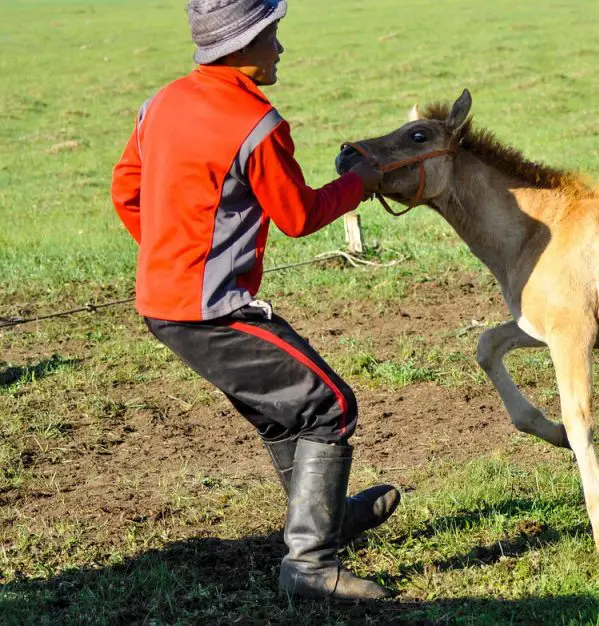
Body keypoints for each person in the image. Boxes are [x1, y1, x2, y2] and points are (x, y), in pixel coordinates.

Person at [110, 0, 396, 602]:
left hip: (165, 302)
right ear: (240, 45)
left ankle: (322, 517)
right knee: (330, 404)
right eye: (273, 35)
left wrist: (173, 255)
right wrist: (361, 184)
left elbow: (126, 191)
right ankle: (311, 564)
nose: (280, 48)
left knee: (285, 408)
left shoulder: (157, 103)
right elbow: (298, 215)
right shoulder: (256, 123)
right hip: (211, 310)